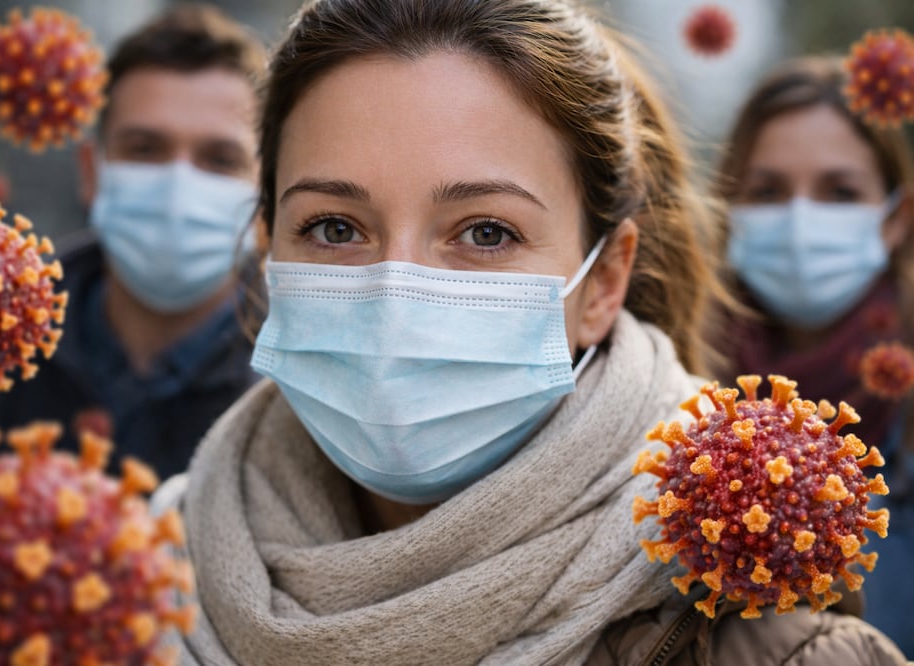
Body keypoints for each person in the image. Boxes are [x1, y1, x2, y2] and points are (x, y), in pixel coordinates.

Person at [156, 2, 907, 663]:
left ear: (603, 282)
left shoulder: (771, 644)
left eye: (485, 231)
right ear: (267, 245)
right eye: (332, 226)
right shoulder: (129, 580)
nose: (395, 291)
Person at [0, 4, 267, 479]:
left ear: (266, 195)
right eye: (145, 149)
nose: (177, 188)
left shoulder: (291, 386)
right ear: (91, 172)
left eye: (220, 160)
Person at [714, 56, 914, 657]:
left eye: (840, 192)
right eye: (769, 191)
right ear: (731, 212)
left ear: (894, 220)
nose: (801, 221)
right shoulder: (674, 390)